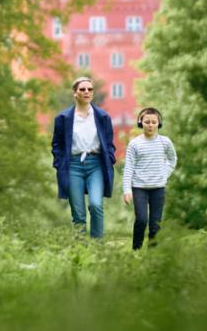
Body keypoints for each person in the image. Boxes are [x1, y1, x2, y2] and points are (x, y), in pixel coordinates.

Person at [51, 76, 116, 238]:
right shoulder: (63, 118)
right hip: (73, 165)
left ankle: (97, 247)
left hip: (96, 165)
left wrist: (110, 158)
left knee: (96, 205)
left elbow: (109, 143)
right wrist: (59, 164)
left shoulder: (102, 117)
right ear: (75, 93)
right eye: (82, 89)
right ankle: (81, 249)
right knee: (78, 213)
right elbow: (56, 145)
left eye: (90, 89)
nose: (87, 92)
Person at [122, 107, 178, 250]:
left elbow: (172, 160)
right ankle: (136, 249)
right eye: (147, 122)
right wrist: (127, 190)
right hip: (139, 187)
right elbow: (129, 167)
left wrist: (164, 174)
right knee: (141, 220)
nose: (150, 125)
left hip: (158, 188)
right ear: (141, 123)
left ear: (159, 123)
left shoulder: (165, 142)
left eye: (154, 122)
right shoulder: (134, 144)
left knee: (155, 224)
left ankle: (152, 254)